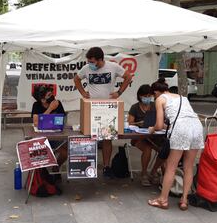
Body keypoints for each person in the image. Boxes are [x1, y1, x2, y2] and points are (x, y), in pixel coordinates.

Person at [74, 47, 133, 178]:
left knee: (107, 138)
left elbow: (128, 77)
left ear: (100, 59)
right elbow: (76, 79)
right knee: (89, 136)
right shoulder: (86, 68)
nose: (91, 64)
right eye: (89, 61)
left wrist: (119, 92)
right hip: (91, 106)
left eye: (93, 62)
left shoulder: (113, 67)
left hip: (108, 107)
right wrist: (83, 93)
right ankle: (88, 167)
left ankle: (106, 167)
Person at [147, 78, 204, 211]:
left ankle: (163, 200)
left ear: (156, 92)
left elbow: (159, 125)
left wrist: (153, 128)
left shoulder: (160, 99)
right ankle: (184, 200)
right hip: (196, 126)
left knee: (171, 166)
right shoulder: (182, 97)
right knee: (188, 166)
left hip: (181, 129)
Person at [31, 85, 68, 171]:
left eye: (52, 94)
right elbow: (36, 123)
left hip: (56, 137)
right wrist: (50, 109)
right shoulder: (36, 105)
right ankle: (43, 174)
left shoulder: (58, 103)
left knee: (65, 153)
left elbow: (62, 121)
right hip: (41, 138)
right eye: (49, 95)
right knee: (40, 155)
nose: (52, 97)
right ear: (43, 100)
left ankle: (56, 168)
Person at [127, 84, 157, 186]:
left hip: (154, 136)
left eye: (149, 96)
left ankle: (155, 172)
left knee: (164, 149)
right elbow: (130, 123)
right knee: (147, 149)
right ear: (139, 96)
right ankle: (144, 174)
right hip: (138, 137)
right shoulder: (135, 107)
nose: (147, 98)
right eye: (145, 96)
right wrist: (138, 123)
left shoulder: (155, 106)